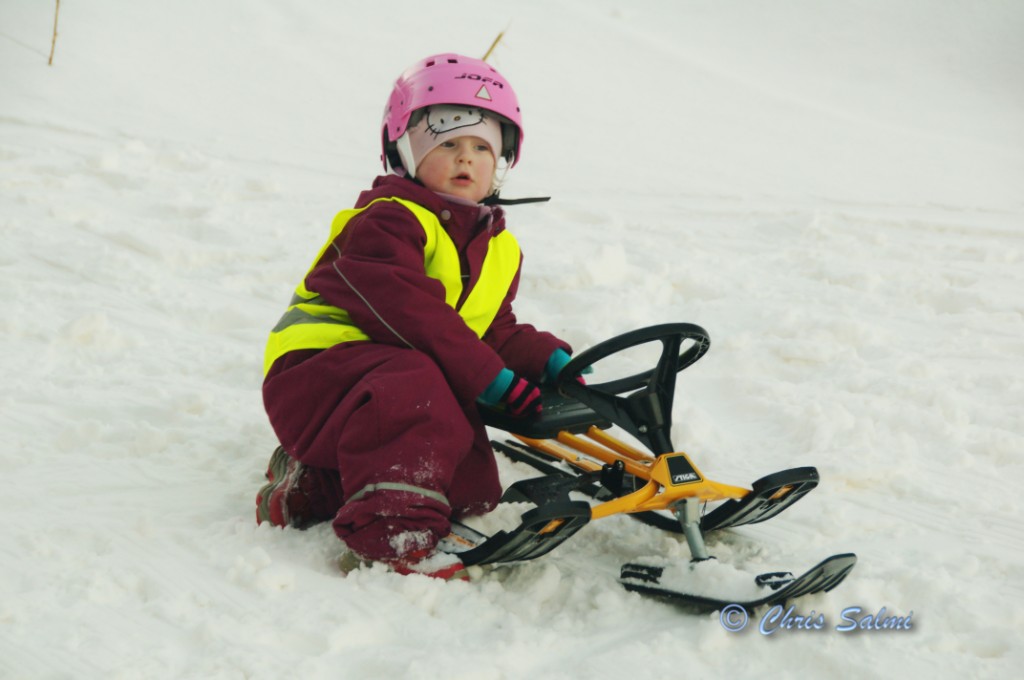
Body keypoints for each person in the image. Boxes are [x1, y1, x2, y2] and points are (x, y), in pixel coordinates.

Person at [256, 53, 575, 581]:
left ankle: (313, 486)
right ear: (404, 152)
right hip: (317, 374)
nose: (465, 159)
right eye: (447, 144)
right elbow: (410, 311)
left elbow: (491, 329)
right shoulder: (388, 221)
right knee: (423, 389)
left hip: (382, 385)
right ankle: (395, 532)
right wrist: (490, 380)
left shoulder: (500, 248)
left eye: (482, 147)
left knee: (462, 471)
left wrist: (549, 362)